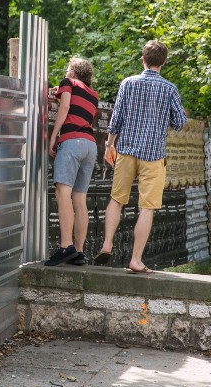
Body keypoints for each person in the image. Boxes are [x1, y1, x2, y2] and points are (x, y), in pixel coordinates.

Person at [95, 40, 187, 273]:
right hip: (154, 155)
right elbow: (179, 123)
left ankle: (107, 244)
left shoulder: (128, 83)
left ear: (142, 59)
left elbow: (115, 120)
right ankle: (135, 259)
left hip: (126, 151)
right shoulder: (170, 89)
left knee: (117, 199)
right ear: (163, 62)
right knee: (147, 207)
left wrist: (109, 146)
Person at [44, 58, 99, 266]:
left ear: (73, 72)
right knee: (80, 198)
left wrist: (53, 136)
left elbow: (66, 106)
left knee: (62, 193)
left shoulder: (68, 83)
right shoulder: (93, 95)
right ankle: (79, 251)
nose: (66, 73)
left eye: (68, 70)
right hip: (90, 145)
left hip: (72, 142)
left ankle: (65, 246)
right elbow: (74, 105)